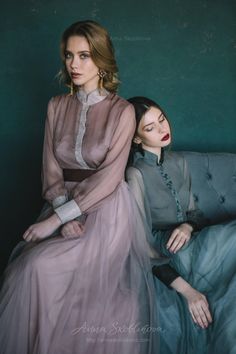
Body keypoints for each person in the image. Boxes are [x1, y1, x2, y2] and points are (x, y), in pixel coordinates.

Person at [0, 22, 157, 354]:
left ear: (101, 60)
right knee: (24, 272)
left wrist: (56, 221)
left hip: (107, 214)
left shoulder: (122, 111)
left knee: (38, 267)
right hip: (61, 205)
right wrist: (61, 214)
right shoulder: (56, 106)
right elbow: (51, 168)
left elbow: (109, 179)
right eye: (69, 55)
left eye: (84, 56)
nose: (74, 64)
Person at [126, 96, 236, 354]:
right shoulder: (135, 174)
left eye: (161, 119)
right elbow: (141, 244)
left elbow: (194, 215)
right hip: (162, 253)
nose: (163, 129)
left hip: (193, 242)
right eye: (150, 127)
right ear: (136, 139)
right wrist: (188, 292)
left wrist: (187, 226)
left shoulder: (179, 163)